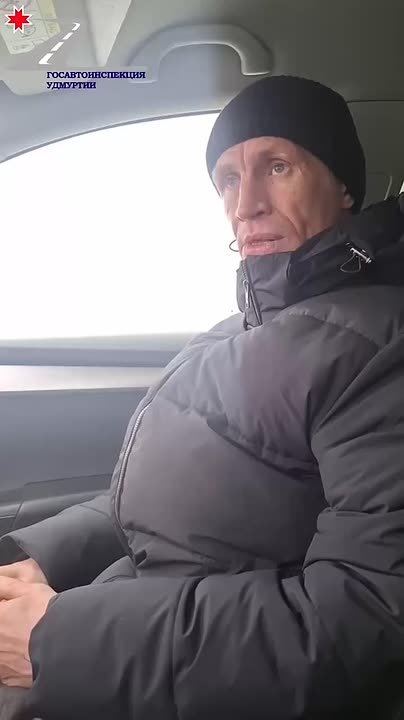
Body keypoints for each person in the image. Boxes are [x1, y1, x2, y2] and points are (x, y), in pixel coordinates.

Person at [1, 74, 404, 720]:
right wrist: (41, 559)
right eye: (228, 179)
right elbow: (159, 505)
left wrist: (58, 642)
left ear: (343, 186)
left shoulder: (381, 347)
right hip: (130, 640)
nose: (247, 204)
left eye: (277, 166)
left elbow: (364, 616)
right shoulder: (234, 330)